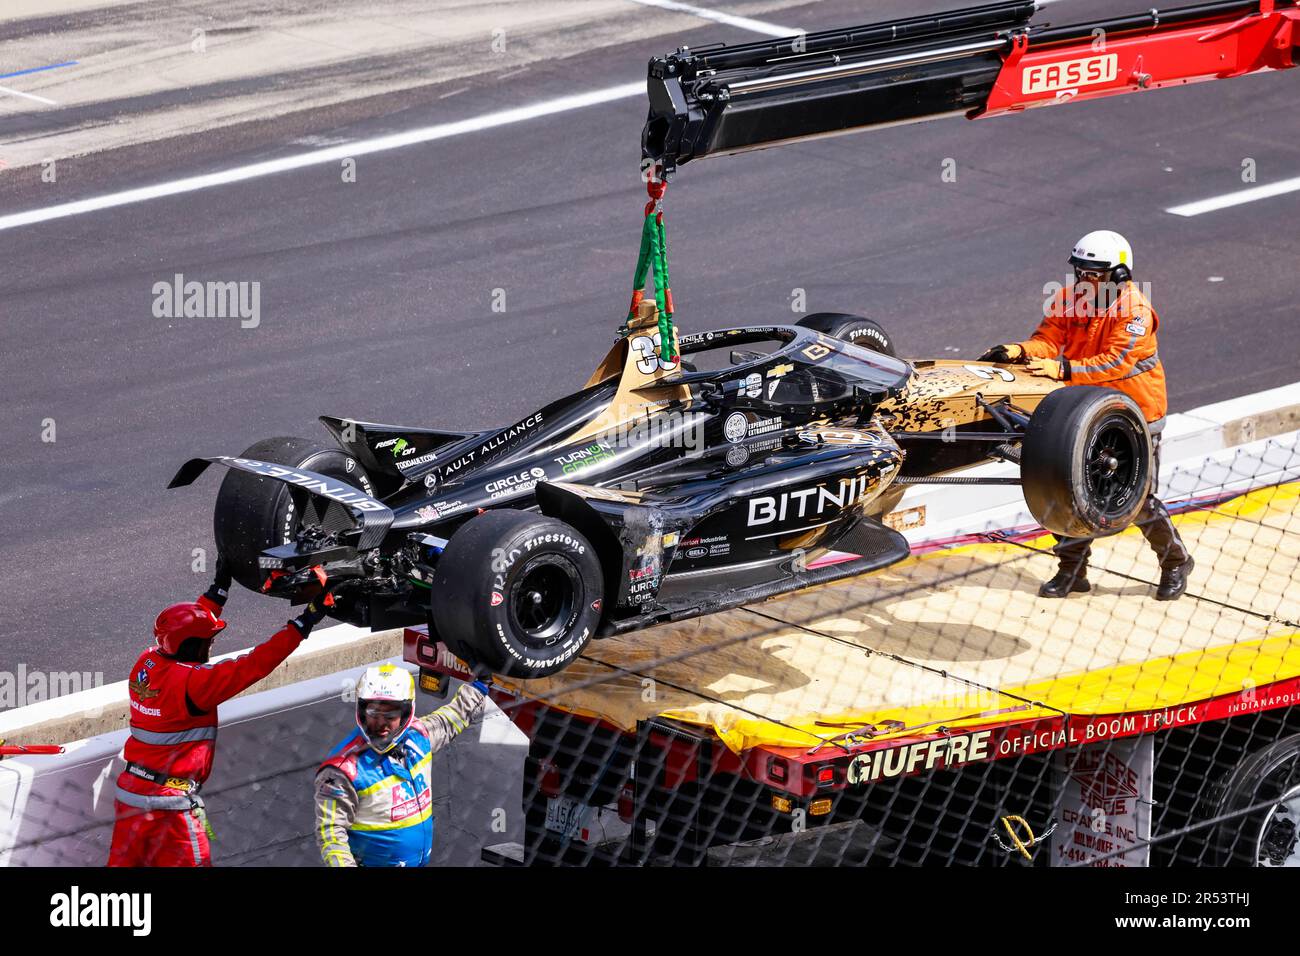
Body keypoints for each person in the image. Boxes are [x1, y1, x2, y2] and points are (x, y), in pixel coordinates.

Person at [979, 229, 1194, 601]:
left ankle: (1175, 561)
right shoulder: (1070, 298)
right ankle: (1072, 569)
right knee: (1062, 488)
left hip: (1131, 416)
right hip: (1080, 411)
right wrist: (1018, 350)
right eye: (1080, 271)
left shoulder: (1135, 311)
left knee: (1137, 498)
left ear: (1119, 274)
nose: (1084, 280)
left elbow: (1115, 361)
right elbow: (1047, 340)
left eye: (1093, 273)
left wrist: (1060, 370)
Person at [108, 558, 343, 867]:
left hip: (130, 794)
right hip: (170, 806)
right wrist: (305, 622)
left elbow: (184, 626)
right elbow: (256, 664)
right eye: (208, 642)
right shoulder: (195, 683)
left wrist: (219, 589)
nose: (211, 646)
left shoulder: (146, 662)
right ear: (193, 646)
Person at [314, 664, 489, 867]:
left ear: (406, 714)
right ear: (361, 711)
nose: (381, 723)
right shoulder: (341, 771)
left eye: (390, 715)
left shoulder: (419, 737)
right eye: (373, 712)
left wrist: (480, 686)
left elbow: (451, 718)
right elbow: (331, 835)